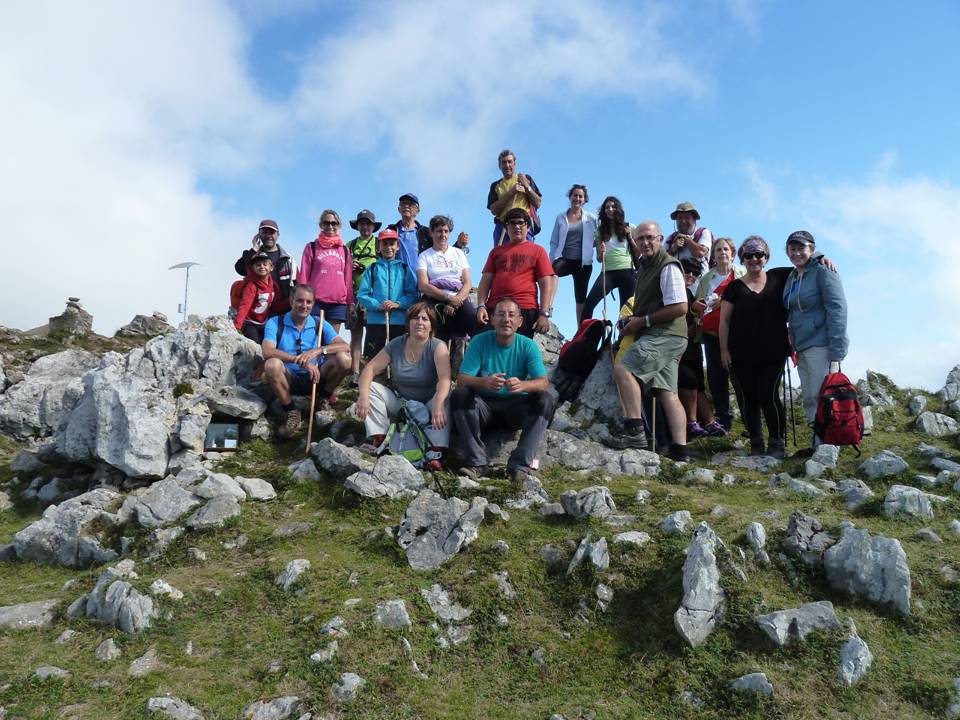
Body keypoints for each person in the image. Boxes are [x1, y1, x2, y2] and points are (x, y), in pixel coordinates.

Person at [451, 296, 555, 486]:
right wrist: (484, 382)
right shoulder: (479, 341)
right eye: (501, 314)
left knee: (545, 400)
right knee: (460, 395)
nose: (506, 319)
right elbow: (463, 379)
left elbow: (543, 383)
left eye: (511, 315)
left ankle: (520, 466)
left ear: (520, 321)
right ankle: (477, 463)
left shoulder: (527, 345)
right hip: (483, 408)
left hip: (515, 410)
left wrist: (523, 385)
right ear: (492, 319)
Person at [609, 221, 690, 461]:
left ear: (660, 238)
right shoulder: (646, 267)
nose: (645, 242)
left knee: (623, 369)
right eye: (641, 238)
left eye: (650, 237)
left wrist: (642, 322)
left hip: (664, 334)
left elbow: (680, 307)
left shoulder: (667, 266)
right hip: (668, 335)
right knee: (667, 392)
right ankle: (680, 451)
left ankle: (635, 431)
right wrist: (633, 320)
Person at [353, 302, 451, 472]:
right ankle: (379, 437)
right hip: (402, 404)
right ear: (408, 323)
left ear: (431, 326)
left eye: (425, 319)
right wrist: (362, 397)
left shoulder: (437, 346)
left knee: (446, 394)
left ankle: (435, 451)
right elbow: (369, 369)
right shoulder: (396, 344)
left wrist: (439, 404)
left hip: (429, 404)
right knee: (371, 387)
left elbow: (445, 378)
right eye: (415, 318)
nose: (419, 322)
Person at [718, 237, 790, 457]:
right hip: (741, 354)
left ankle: (777, 442)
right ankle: (756, 442)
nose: (754, 259)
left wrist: (823, 260)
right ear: (742, 258)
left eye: (759, 254)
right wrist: (723, 350)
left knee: (768, 394)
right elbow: (724, 321)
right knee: (749, 398)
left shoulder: (780, 277)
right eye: (749, 255)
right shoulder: (734, 288)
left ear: (766, 257)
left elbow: (805, 264)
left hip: (774, 351)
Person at [783, 230, 849, 446]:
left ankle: (829, 445)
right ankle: (818, 442)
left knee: (823, 396)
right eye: (792, 249)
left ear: (811, 249)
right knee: (811, 396)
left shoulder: (823, 271)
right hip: (801, 346)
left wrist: (838, 348)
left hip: (821, 343)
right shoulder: (793, 276)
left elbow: (837, 308)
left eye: (801, 248)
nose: (796, 253)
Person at [262, 284, 351, 438]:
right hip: (289, 377)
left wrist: (319, 350)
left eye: (309, 302)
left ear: (313, 303)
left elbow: (345, 346)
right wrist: (299, 361)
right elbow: (267, 351)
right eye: (300, 301)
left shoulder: (319, 322)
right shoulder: (276, 322)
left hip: (316, 377)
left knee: (344, 359)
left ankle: (322, 399)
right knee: (271, 365)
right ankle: (291, 411)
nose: (304, 306)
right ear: (291, 301)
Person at [690, 237, 745, 431]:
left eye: (726, 249)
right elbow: (696, 305)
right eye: (718, 250)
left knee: (739, 376)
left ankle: (748, 420)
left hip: (736, 334)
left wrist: (724, 299)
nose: (722, 253)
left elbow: (749, 299)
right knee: (716, 378)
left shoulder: (742, 273)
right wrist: (696, 307)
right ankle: (724, 420)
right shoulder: (706, 279)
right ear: (713, 255)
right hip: (710, 334)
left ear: (733, 253)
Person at [476, 208, 556, 337]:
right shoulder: (496, 252)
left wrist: (544, 313)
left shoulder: (538, 251)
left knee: (519, 353)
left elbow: (546, 284)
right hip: (495, 307)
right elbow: (485, 281)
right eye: (512, 223)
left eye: (521, 223)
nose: (517, 226)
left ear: (528, 227)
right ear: (506, 228)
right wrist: (480, 306)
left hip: (525, 308)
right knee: (487, 349)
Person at [356, 228, 418, 359]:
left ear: (398, 246)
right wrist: (377, 305)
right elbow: (362, 294)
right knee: (372, 359)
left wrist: (398, 303)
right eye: (384, 243)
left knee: (399, 358)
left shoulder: (405, 269)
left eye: (392, 243)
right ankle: (375, 379)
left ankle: (396, 380)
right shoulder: (372, 268)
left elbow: (412, 295)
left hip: (399, 322)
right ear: (378, 246)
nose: (388, 247)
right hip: (375, 321)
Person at [416, 215, 476, 342]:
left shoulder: (458, 253)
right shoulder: (424, 256)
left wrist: (456, 301)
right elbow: (423, 285)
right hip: (434, 297)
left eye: (446, 231)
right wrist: (448, 298)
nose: (443, 234)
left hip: (458, 297)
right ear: (431, 233)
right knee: (423, 321)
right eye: (438, 231)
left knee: (473, 318)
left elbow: (467, 282)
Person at [580, 196, 638, 321]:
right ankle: (583, 336)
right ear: (603, 211)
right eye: (607, 207)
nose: (610, 209)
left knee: (625, 310)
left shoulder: (630, 227)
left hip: (627, 270)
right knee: (589, 303)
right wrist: (601, 252)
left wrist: (630, 236)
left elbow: (639, 252)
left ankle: (623, 339)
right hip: (608, 271)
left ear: (618, 210)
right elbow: (599, 259)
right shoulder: (600, 231)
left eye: (613, 207)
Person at [549, 184, 598, 324]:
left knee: (580, 298)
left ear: (584, 199)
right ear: (570, 197)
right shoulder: (561, 218)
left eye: (580, 196)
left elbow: (601, 235)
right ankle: (547, 307)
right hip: (565, 259)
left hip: (583, 263)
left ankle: (579, 330)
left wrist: (591, 245)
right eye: (575, 195)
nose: (577, 198)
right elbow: (554, 240)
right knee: (552, 271)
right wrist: (552, 258)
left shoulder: (591, 218)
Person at [300, 210, 353, 332]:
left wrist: (351, 303)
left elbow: (348, 280)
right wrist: (302, 298)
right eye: (326, 223)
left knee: (332, 342)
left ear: (338, 225)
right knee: (313, 340)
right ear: (321, 225)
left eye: (334, 223)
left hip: (338, 302)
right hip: (315, 301)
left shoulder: (345, 250)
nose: (330, 226)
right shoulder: (312, 247)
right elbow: (303, 275)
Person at [346, 210, 382, 385]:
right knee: (356, 334)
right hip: (353, 295)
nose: (365, 226)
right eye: (362, 223)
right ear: (357, 226)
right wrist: (349, 266)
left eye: (368, 223)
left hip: (373, 297)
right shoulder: (350, 246)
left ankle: (370, 373)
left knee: (373, 335)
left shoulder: (379, 244)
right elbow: (342, 268)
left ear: (373, 227)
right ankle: (354, 372)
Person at [234, 219, 297, 314]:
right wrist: (254, 249)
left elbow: (297, 283)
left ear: (278, 235)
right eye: (264, 232)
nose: (268, 236)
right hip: (257, 309)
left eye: (272, 232)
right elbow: (240, 269)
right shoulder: (252, 255)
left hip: (281, 309)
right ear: (259, 235)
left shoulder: (288, 259)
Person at [487, 149, 542, 247]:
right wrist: (511, 192)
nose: (507, 165)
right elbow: (494, 210)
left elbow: (538, 203)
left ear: (514, 164)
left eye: (509, 161)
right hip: (503, 227)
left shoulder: (526, 179)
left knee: (526, 258)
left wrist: (526, 186)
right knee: (501, 259)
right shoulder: (496, 186)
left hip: (523, 225)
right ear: (500, 166)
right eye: (504, 162)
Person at [233, 251, 275, 343]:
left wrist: (289, 303)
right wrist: (237, 326)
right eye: (258, 265)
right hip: (250, 323)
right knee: (255, 346)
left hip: (264, 323)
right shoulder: (251, 286)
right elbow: (245, 305)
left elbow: (275, 302)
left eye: (265, 264)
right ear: (253, 268)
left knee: (267, 344)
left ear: (271, 267)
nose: (262, 267)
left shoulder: (273, 284)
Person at [666, 201, 712, 276]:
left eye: (687, 217)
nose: (683, 221)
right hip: (676, 282)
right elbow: (662, 263)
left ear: (694, 219)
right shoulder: (670, 238)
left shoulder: (704, 232)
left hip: (699, 283)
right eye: (680, 218)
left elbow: (700, 253)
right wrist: (673, 250)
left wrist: (687, 239)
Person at [387, 193, 432, 271]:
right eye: (403, 203)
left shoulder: (426, 232)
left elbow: (439, 250)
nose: (406, 206)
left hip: (420, 278)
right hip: (397, 278)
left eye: (410, 204)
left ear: (418, 210)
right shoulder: (391, 230)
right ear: (399, 209)